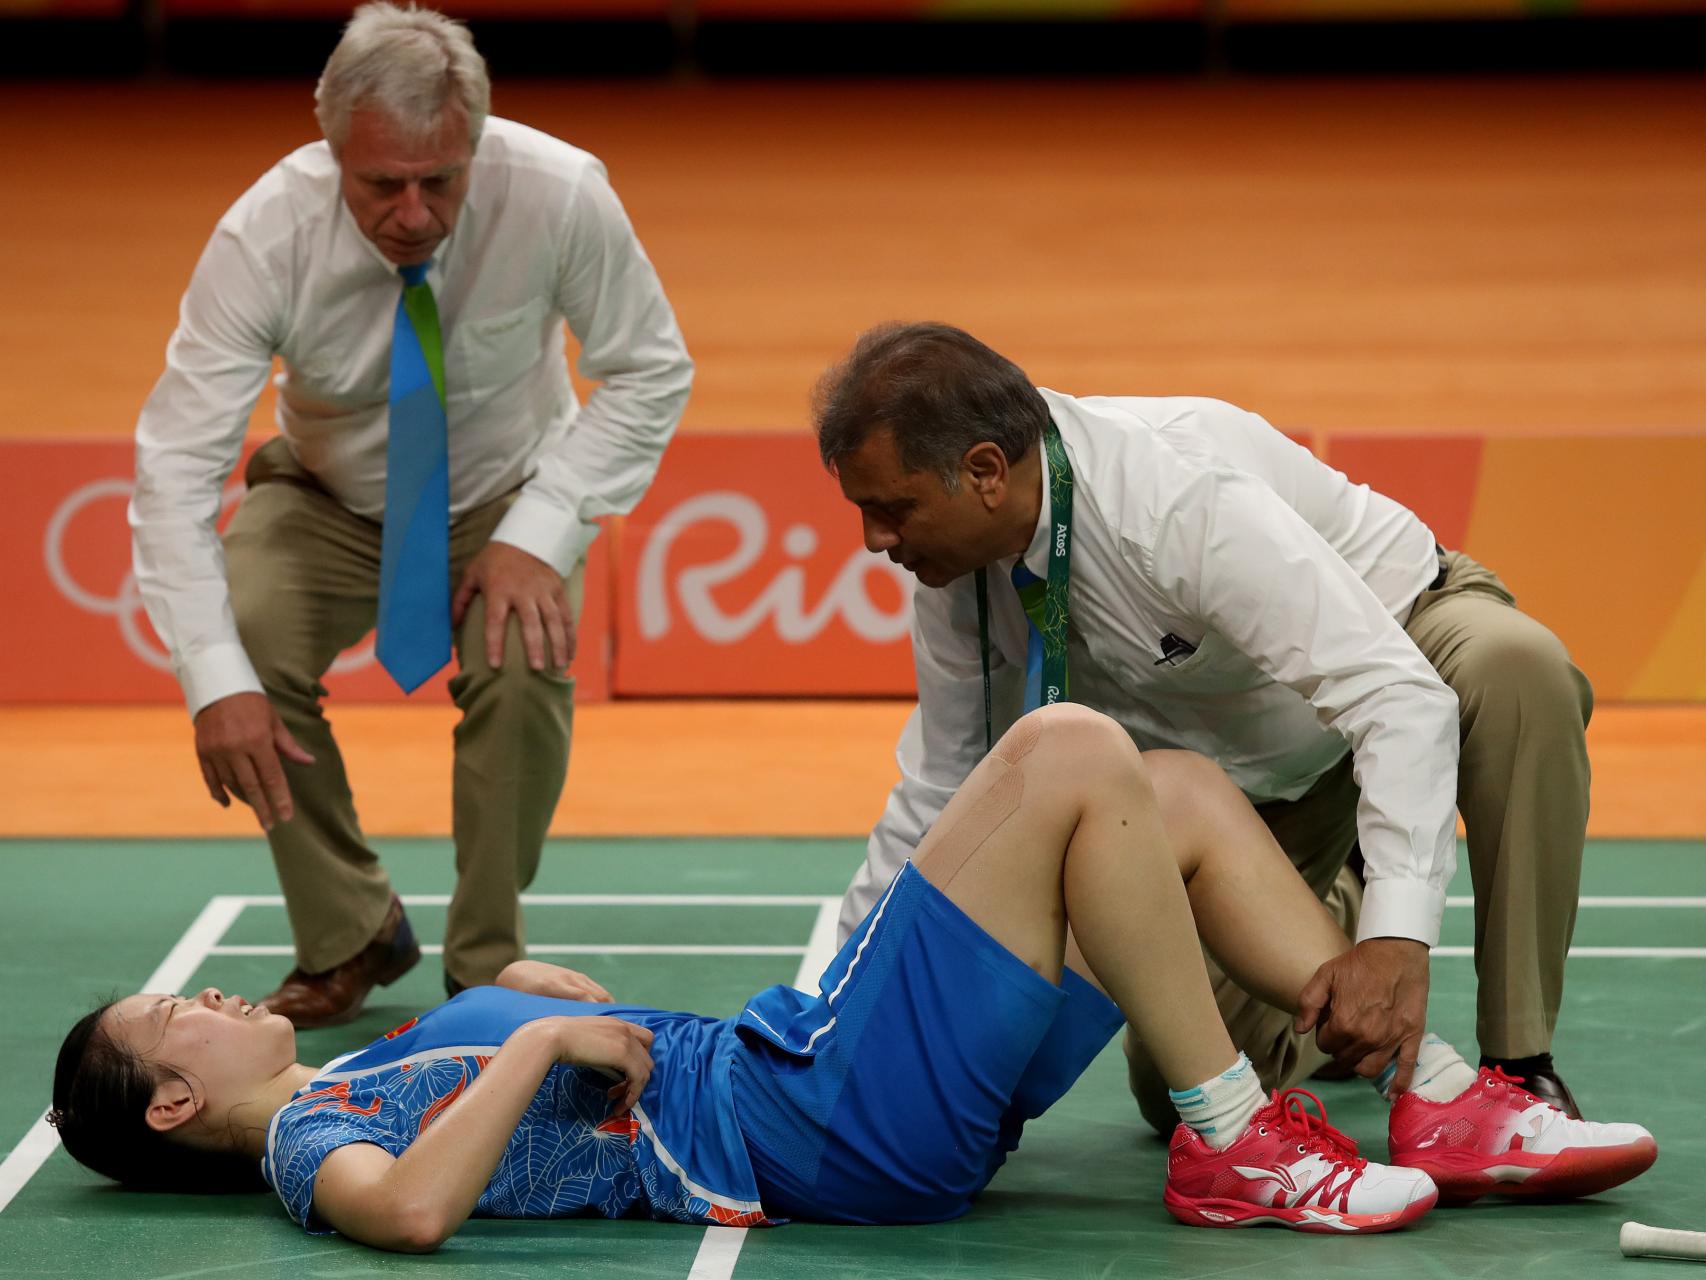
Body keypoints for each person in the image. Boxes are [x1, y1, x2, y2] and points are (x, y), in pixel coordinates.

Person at [50, 708, 1654, 1251]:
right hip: (811, 1118)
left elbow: (516, 1093)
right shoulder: (300, 1147)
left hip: (812, 1082)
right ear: (176, 1095)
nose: (204, 993)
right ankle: (1238, 1138)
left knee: (1156, 792)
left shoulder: (351, 1075)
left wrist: (523, 999)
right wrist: (540, 1040)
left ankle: (1426, 1091)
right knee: (1061, 751)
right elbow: (406, 1216)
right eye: (170, 1011)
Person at [816, 321, 1597, 1121]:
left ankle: (1516, 1066)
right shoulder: (956, 586)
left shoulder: (1167, 498)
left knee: (1517, 671)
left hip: (1396, 646)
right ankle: (1346, 884)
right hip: (1251, 777)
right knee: (1171, 1087)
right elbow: (945, 794)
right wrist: (836, 1009)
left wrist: (1397, 941)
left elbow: (1397, 696)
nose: (875, 540)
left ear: (984, 471)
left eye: (891, 509)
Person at [128, 3, 693, 1025]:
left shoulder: (560, 191)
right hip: (326, 495)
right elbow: (174, 464)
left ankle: (485, 965)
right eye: (381, 184)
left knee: (522, 666)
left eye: (442, 179)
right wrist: (212, 683)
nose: (415, 211)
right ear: (331, 145)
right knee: (241, 646)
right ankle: (350, 931)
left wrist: (541, 530)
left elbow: (649, 371)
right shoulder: (263, 233)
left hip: (505, 493)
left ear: (475, 142)